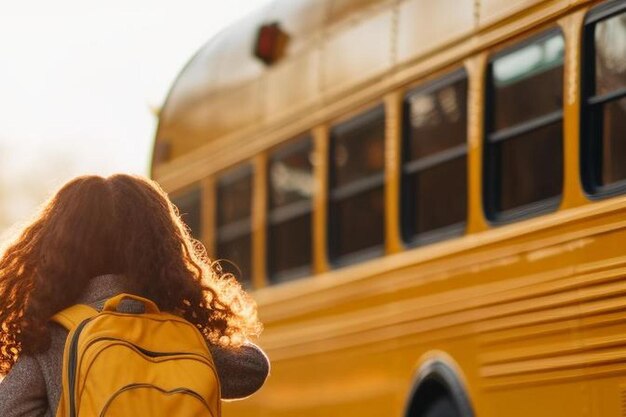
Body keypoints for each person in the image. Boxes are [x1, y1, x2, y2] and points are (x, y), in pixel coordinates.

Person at [0, 174, 269, 417]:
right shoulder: (179, 331)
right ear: (163, 247)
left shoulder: (56, 337)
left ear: (57, 250)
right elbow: (253, 368)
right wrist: (181, 317)